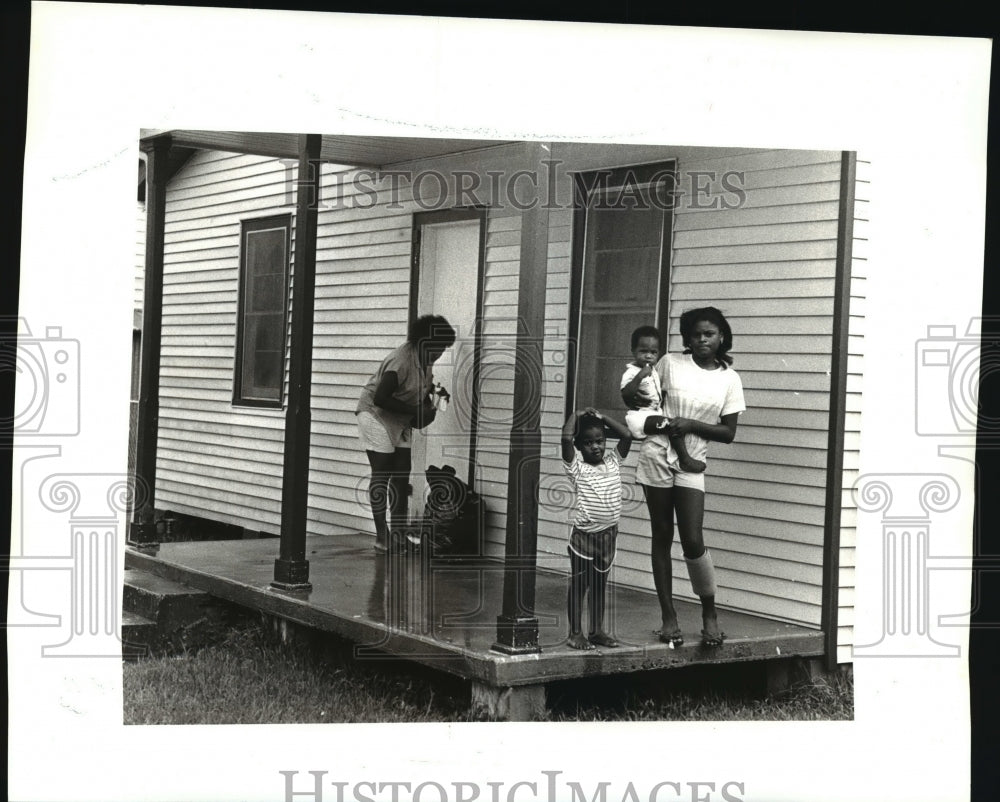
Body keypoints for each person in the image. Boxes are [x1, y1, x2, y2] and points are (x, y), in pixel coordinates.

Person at [636, 307, 746, 648]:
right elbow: (647, 402)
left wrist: (691, 425)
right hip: (657, 455)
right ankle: (669, 617)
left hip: (693, 461)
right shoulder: (670, 363)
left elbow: (728, 432)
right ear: (688, 337)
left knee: (693, 539)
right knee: (662, 535)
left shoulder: (729, 378)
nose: (702, 340)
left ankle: (709, 613)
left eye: (709, 334)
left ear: (721, 337)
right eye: (696, 334)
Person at [356, 314, 456, 551]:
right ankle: (382, 537)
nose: (439, 354)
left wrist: (435, 395)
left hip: (400, 419)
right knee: (382, 474)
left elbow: (422, 385)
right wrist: (415, 410)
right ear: (422, 342)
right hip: (375, 415)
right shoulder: (400, 360)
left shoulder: (425, 360)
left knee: (401, 475)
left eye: (442, 349)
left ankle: (399, 535)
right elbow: (381, 398)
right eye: (436, 348)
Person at [560, 407, 632, 650]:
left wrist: (602, 417)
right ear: (579, 446)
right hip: (584, 537)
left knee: (599, 586)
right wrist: (577, 415)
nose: (596, 447)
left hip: (608, 536)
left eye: (600, 441)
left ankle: (596, 630)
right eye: (588, 443)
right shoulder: (577, 469)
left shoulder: (613, 462)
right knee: (580, 586)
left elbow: (627, 436)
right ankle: (575, 633)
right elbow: (565, 438)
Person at [620, 325, 705, 473]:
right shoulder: (631, 372)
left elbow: (658, 392)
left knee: (674, 425)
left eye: (653, 352)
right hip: (639, 419)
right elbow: (626, 394)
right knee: (672, 425)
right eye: (643, 351)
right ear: (633, 351)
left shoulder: (653, 371)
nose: (648, 356)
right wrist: (640, 377)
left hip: (653, 414)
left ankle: (675, 458)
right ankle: (685, 459)